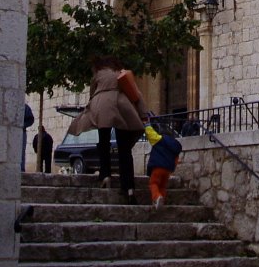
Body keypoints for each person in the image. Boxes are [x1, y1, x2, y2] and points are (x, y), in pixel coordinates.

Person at [68, 55, 148, 203]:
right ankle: (129, 188)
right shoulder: (121, 73)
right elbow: (137, 94)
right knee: (124, 149)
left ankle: (105, 175)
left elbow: (93, 93)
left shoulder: (98, 74)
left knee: (103, 143)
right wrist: (143, 115)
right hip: (121, 106)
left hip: (102, 106)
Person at [144, 123, 182, 208]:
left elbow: (151, 134)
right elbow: (176, 160)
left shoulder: (160, 139)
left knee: (153, 183)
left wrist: (147, 126)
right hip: (167, 170)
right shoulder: (175, 146)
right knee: (162, 186)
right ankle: (161, 201)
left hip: (157, 167)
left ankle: (157, 197)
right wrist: (172, 169)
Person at [22, 102, 35, 172]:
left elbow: (31, 119)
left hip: (21, 133)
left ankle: (21, 170)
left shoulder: (24, 106)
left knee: (21, 152)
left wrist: (23, 126)